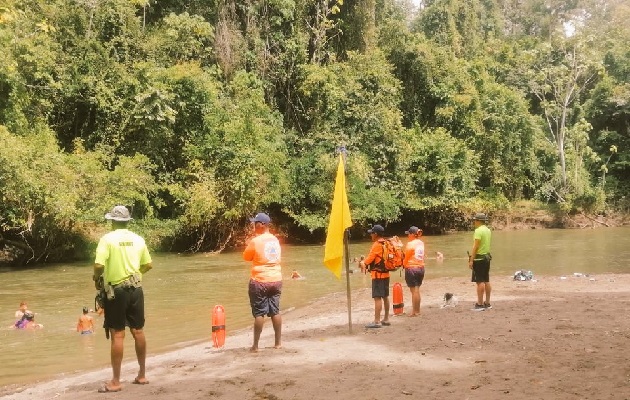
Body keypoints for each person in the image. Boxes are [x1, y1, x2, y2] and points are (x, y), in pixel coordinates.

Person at [93, 205, 153, 393]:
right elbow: (148, 264)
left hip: (116, 292)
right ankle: (142, 375)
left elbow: (98, 264)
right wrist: (135, 275)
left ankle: (116, 381)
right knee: (138, 331)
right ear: (128, 221)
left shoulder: (107, 239)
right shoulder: (138, 239)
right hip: (136, 289)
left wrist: (97, 278)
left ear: (112, 221)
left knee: (118, 334)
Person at [242, 212, 283, 352]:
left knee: (259, 314)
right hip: (276, 279)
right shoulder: (275, 240)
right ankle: (278, 343)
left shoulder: (256, 241)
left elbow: (246, 257)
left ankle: (255, 346)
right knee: (275, 311)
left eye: (255, 223)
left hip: (260, 280)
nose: (253, 225)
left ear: (262, 224)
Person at [359, 225, 391, 328]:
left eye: (372, 233)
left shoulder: (376, 245)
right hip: (386, 274)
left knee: (377, 298)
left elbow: (368, 260)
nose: (370, 235)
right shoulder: (386, 243)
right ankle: (386, 319)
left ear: (376, 234)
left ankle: (376, 321)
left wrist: (362, 263)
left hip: (378, 276)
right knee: (385, 297)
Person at [469, 213, 492, 310]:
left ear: (478, 220)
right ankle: (487, 302)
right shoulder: (488, 230)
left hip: (479, 258)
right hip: (487, 257)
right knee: (486, 280)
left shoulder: (478, 231)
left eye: (475, 220)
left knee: (479, 281)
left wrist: (471, 259)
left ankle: (479, 304)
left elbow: (476, 246)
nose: (474, 222)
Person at [403, 226, 425, 317]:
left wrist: (403, 265)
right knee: (417, 290)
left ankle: (414, 312)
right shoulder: (421, 243)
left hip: (412, 268)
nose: (408, 235)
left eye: (408, 234)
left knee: (413, 291)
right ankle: (418, 310)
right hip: (420, 268)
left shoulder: (410, 244)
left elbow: (406, 258)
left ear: (412, 234)